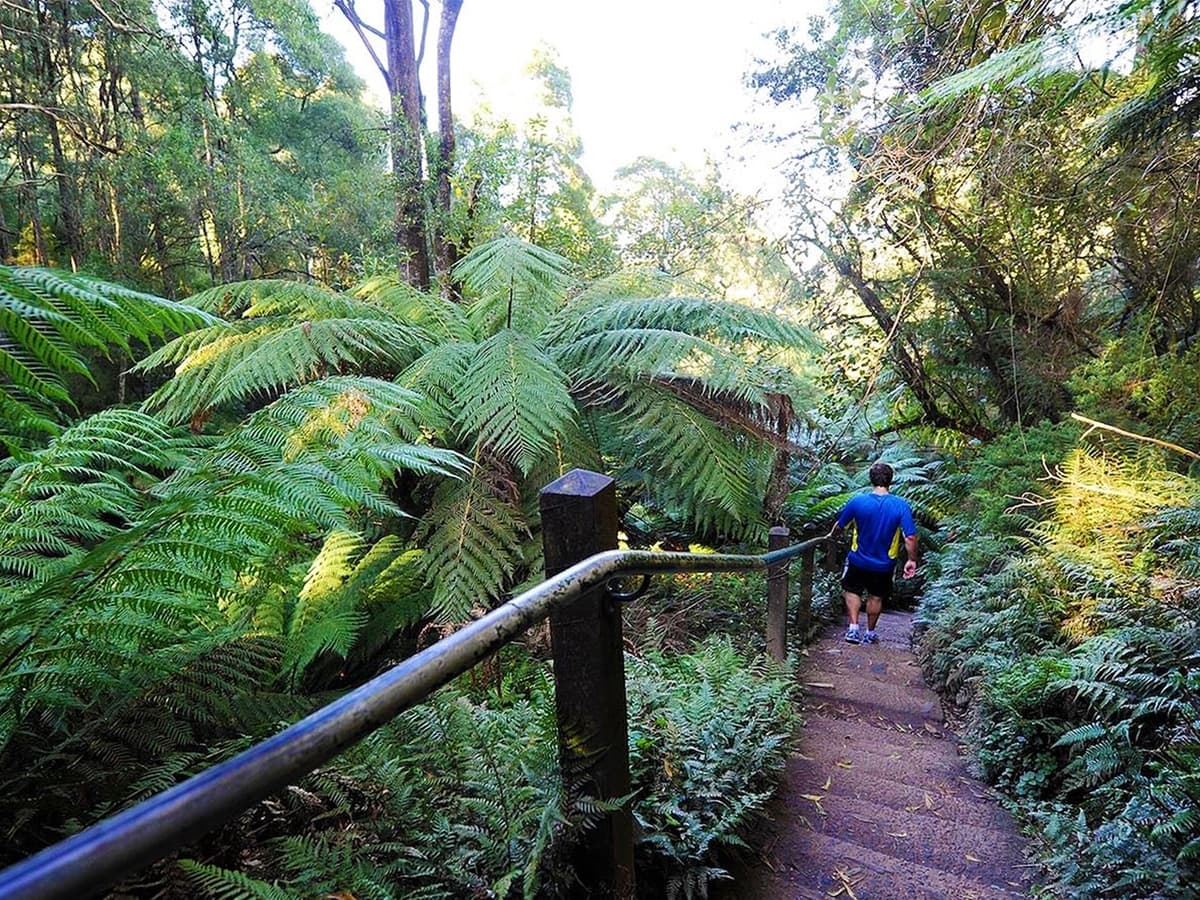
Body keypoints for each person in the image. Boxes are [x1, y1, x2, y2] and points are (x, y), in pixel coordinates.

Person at [828, 461, 918, 645]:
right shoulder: (901, 505)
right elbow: (910, 537)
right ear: (890, 481)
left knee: (852, 590)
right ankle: (870, 633)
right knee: (876, 596)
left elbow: (839, 526)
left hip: (857, 559)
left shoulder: (857, 501)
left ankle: (853, 629)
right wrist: (911, 560)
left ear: (871, 479)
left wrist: (831, 536)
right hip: (884, 564)